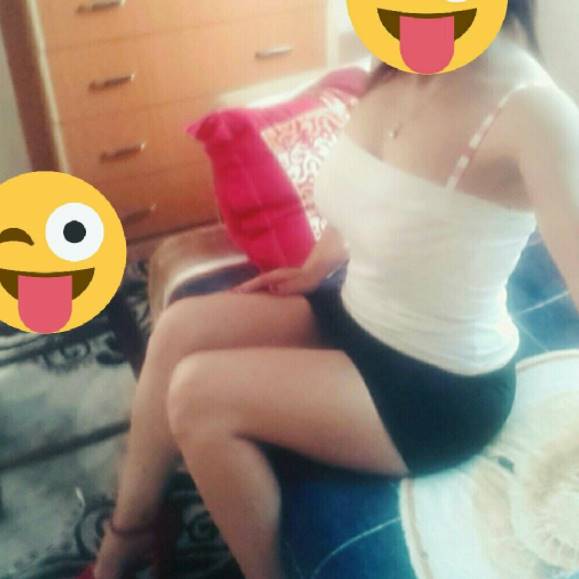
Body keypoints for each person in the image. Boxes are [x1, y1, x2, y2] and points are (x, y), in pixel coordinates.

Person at [82, 1, 579, 577]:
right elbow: (372, 192)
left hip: (438, 388)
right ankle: (130, 536)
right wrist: (316, 267)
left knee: (198, 395)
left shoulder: (536, 111)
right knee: (179, 329)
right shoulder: (399, 64)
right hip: (359, 313)